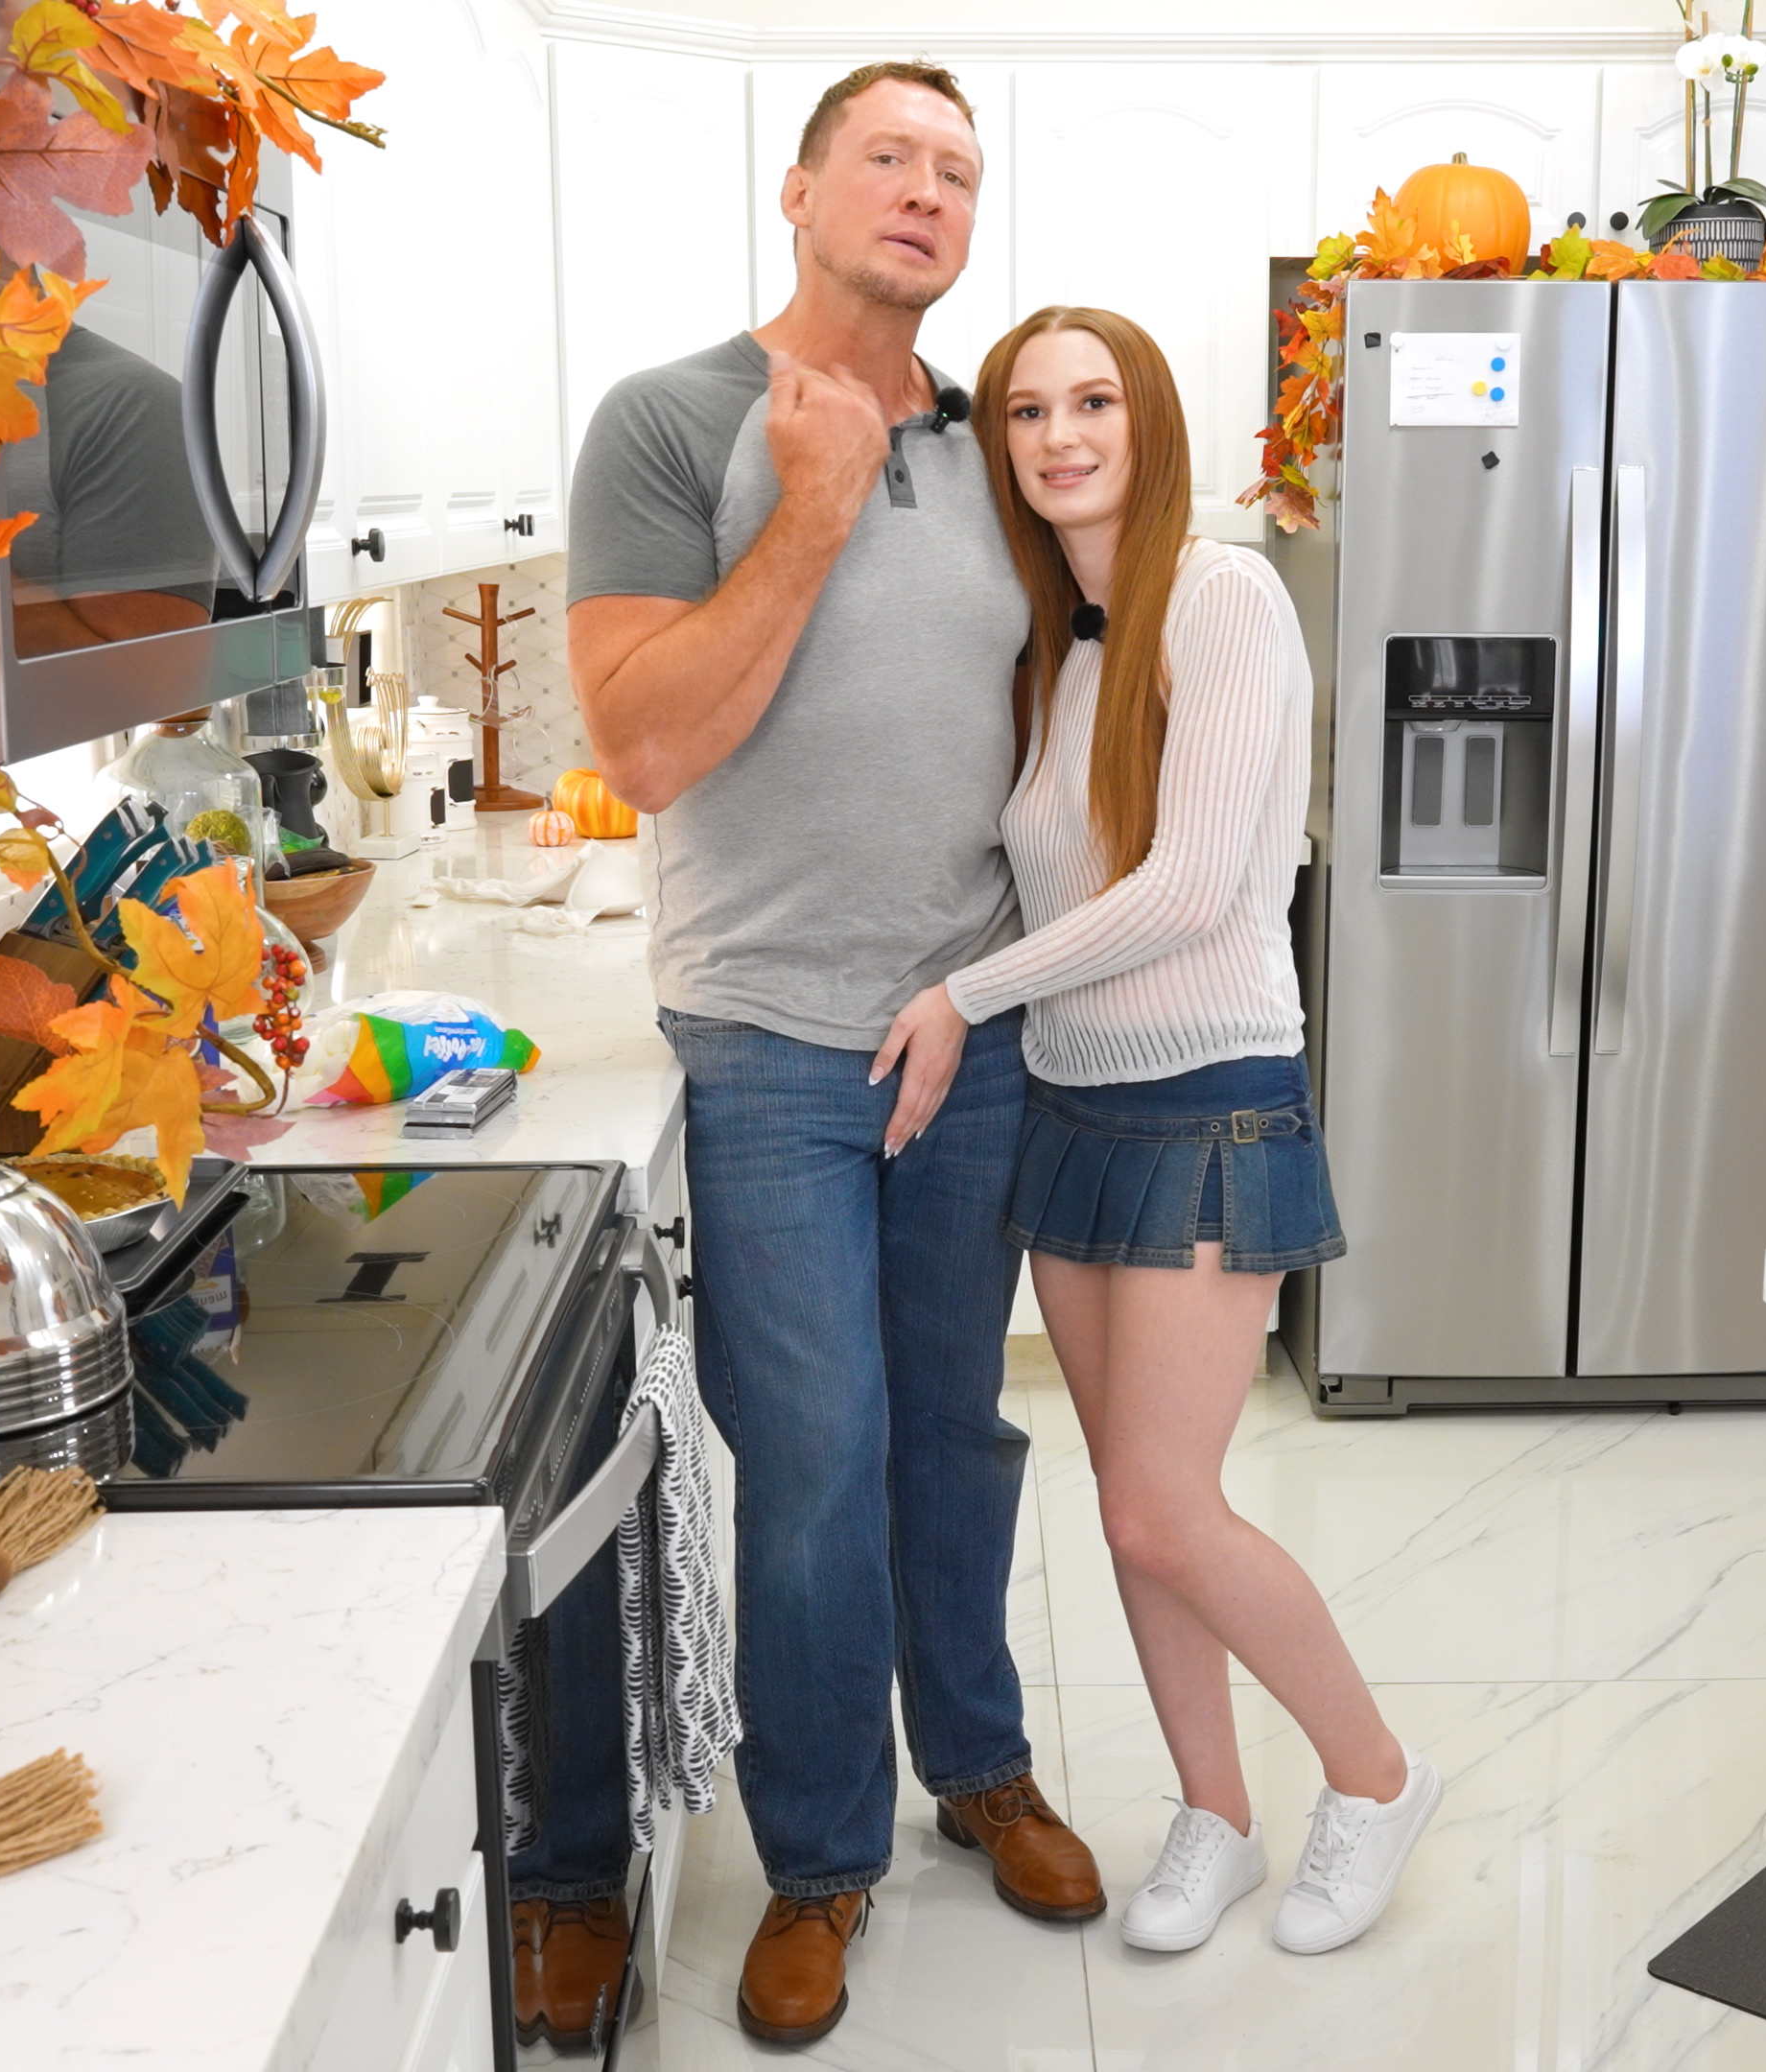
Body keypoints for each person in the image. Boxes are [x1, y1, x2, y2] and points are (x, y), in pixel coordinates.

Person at [560, 59, 1101, 2050]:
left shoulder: (999, 443)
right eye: (888, 155)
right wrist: (805, 507)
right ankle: (818, 1859)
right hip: (770, 1040)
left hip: (971, 1023)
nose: (927, 191)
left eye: (959, 168)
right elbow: (644, 746)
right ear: (799, 190)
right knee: (812, 1463)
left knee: (957, 1432)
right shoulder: (670, 420)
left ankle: (981, 1764)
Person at [873, 306, 1440, 1957]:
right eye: (1027, 412)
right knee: (1132, 1500)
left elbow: (1190, 889)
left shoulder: (1225, 596)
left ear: (1150, 422)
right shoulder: (1060, 645)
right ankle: (1216, 1814)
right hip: (1073, 1108)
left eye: (1094, 403)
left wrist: (964, 994)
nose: (1060, 437)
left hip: (1210, 1100)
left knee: (1160, 1509)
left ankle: (1377, 1776)